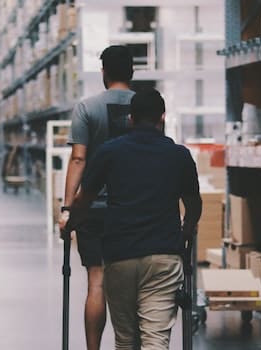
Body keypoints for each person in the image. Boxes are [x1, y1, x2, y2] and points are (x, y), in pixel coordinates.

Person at [69, 89, 203, 350]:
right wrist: (186, 231)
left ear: (131, 119)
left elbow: (84, 199)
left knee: (126, 340)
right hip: (163, 255)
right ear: (162, 118)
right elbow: (194, 205)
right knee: (155, 339)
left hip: (120, 255)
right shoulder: (179, 155)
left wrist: (71, 222)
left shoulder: (109, 152)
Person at [59, 45, 136, 350]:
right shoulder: (146, 107)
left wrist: (67, 208)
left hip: (93, 208)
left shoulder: (86, 108)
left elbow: (78, 160)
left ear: (103, 71)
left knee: (97, 281)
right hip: (131, 209)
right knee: (131, 284)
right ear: (132, 71)